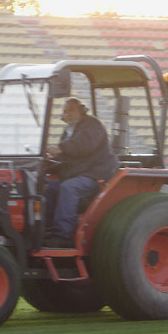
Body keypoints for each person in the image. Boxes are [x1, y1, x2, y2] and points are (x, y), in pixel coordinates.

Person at [42, 97, 118, 247]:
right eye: (65, 111)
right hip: (80, 170)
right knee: (49, 187)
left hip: (96, 171)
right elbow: (68, 157)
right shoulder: (69, 130)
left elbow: (83, 146)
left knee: (69, 187)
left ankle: (63, 235)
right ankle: (47, 228)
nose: (67, 114)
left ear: (82, 111)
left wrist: (60, 149)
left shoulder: (92, 125)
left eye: (71, 110)